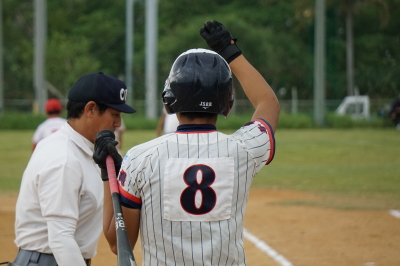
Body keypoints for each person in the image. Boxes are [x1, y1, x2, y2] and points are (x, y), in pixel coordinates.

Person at [94, 20, 280, 265]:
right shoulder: (244, 150)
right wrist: (229, 50)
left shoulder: (140, 158)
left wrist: (110, 177)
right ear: (228, 102)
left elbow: (119, 244)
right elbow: (268, 103)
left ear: (169, 100)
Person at [13, 72, 136, 266]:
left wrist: (109, 171)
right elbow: (61, 239)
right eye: (115, 114)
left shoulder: (82, 150)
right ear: (90, 109)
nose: (118, 123)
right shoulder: (64, 159)